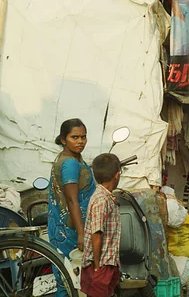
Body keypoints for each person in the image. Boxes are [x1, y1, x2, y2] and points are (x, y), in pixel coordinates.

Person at [48, 118, 96, 297]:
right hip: (71, 230)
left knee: (69, 278)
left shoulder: (72, 159)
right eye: (74, 137)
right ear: (63, 140)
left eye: (83, 137)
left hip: (64, 226)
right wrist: (82, 233)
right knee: (71, 280)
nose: (80, 141)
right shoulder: (69, 164)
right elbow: (72, 201)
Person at [80, 153, 122, 297]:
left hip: (107, 261)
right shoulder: (101, 200)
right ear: (117, 175)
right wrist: (97, 265)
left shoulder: (107, 198)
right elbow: (96, 233)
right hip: (100, 263)